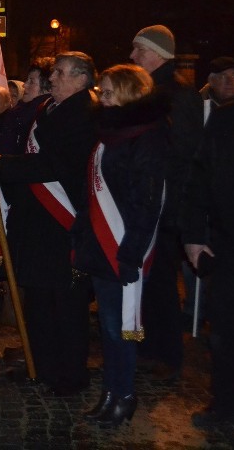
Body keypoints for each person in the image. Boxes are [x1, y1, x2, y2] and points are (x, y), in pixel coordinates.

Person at [0, 51, 99, 395]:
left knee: (65, 304)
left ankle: (70, 375)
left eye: (61, 73)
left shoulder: (86, 113)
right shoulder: (49, 108)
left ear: (82, 78)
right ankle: (42, 366)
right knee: (39, 301)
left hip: (63, 225)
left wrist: (5, 165)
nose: (53, 78)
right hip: (37, 224)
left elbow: (55, 165)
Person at [181, 35, 234, 445]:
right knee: (227, 335)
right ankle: (226, 408)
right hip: (229, 247)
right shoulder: (226, 117)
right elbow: (199, 179)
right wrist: (195, 236)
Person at [72, 64, 167, 427]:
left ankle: (123, 396)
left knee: (120, 327)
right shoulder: (108, 133)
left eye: (109, 91)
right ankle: (110, 392)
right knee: (108, 328)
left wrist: (130, 251)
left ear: (129, 93)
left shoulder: (148, 136)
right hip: (101, 243)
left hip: (125, 246)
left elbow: (148, 201)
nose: (102, 97)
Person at [129, 24, 203, 381]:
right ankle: (149, 347)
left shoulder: (179, 96)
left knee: (160, 282)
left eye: (139, 51)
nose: (132, 57)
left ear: (157, 54)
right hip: (148, 199)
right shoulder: (151, 92)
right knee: (147, 279)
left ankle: (168, 355)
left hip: (164, 203)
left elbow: (182, 154)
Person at [183, 56, 234, 330]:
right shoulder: (198, 108)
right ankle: (194, 310)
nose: (231, 82)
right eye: (224, 76)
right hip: (201, 198)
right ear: (211, 80)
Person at [0, 58, 53, 154]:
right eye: (27, 80)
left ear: (48, 87)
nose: (24, 85)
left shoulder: (45, 117)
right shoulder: (19, 113)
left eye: (31, 81)